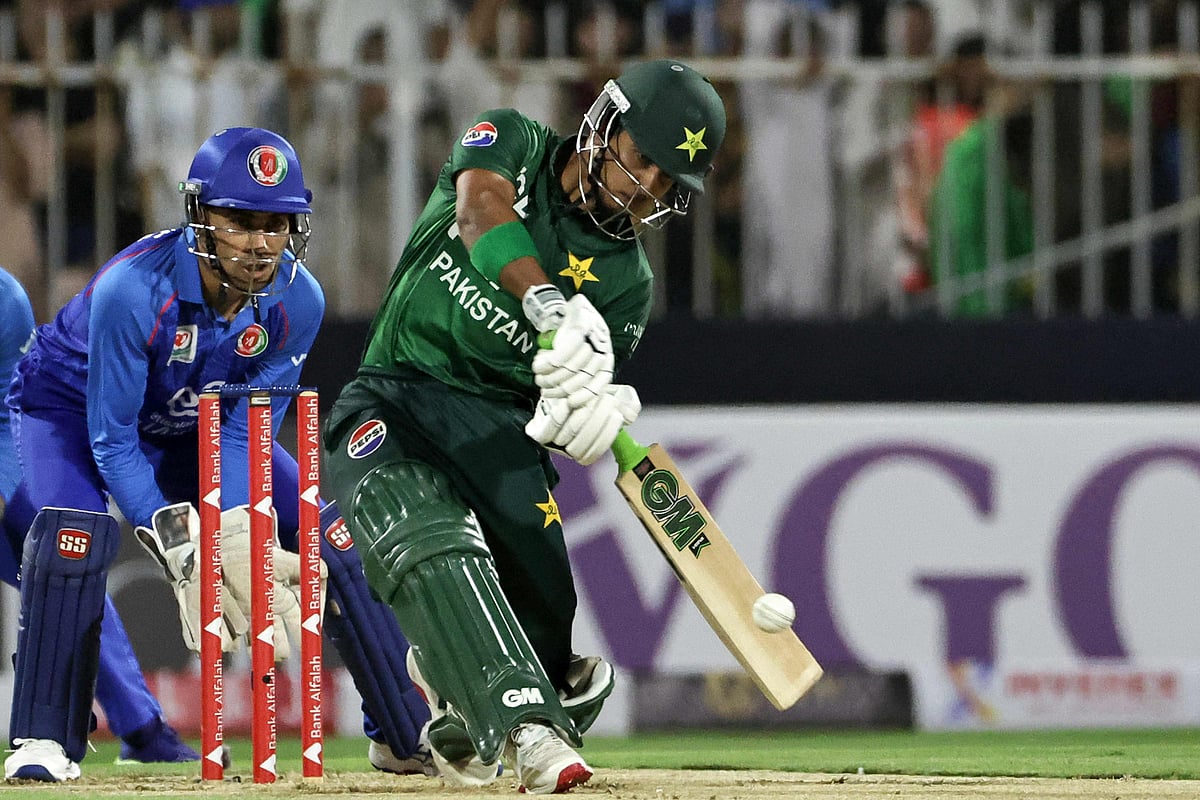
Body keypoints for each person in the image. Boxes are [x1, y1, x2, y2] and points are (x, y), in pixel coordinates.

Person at [322, 59, 726, 794]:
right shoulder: (513, 141)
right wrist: (545, 304)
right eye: (643, 159)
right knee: (425, 534)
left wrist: (584, 413)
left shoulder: (629, 284)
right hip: (397, 391)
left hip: (500, 434)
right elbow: (480, 210)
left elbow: (559, 398)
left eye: (667, 180)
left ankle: (460, 687)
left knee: (546, 623)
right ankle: (529, 731)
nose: (647, 187)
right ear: (605, 124)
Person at [3, 127, 430, 782]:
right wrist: (183, 544)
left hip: (187, 426)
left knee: (329, 534)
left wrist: (233, 530)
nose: (260, 242)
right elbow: (114, 439)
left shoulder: (298, 300)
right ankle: (43, 739)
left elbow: (239, 434)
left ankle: (403, 733)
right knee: (71, 537)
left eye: (276, 224)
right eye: (241, 221)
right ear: (199, 214)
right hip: (66, 411)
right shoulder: (132, 290)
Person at [0, 268, 200, 767]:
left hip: (3, 462)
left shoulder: (5, 300)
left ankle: (141, 728)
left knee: (66, 557)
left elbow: (9, 416)